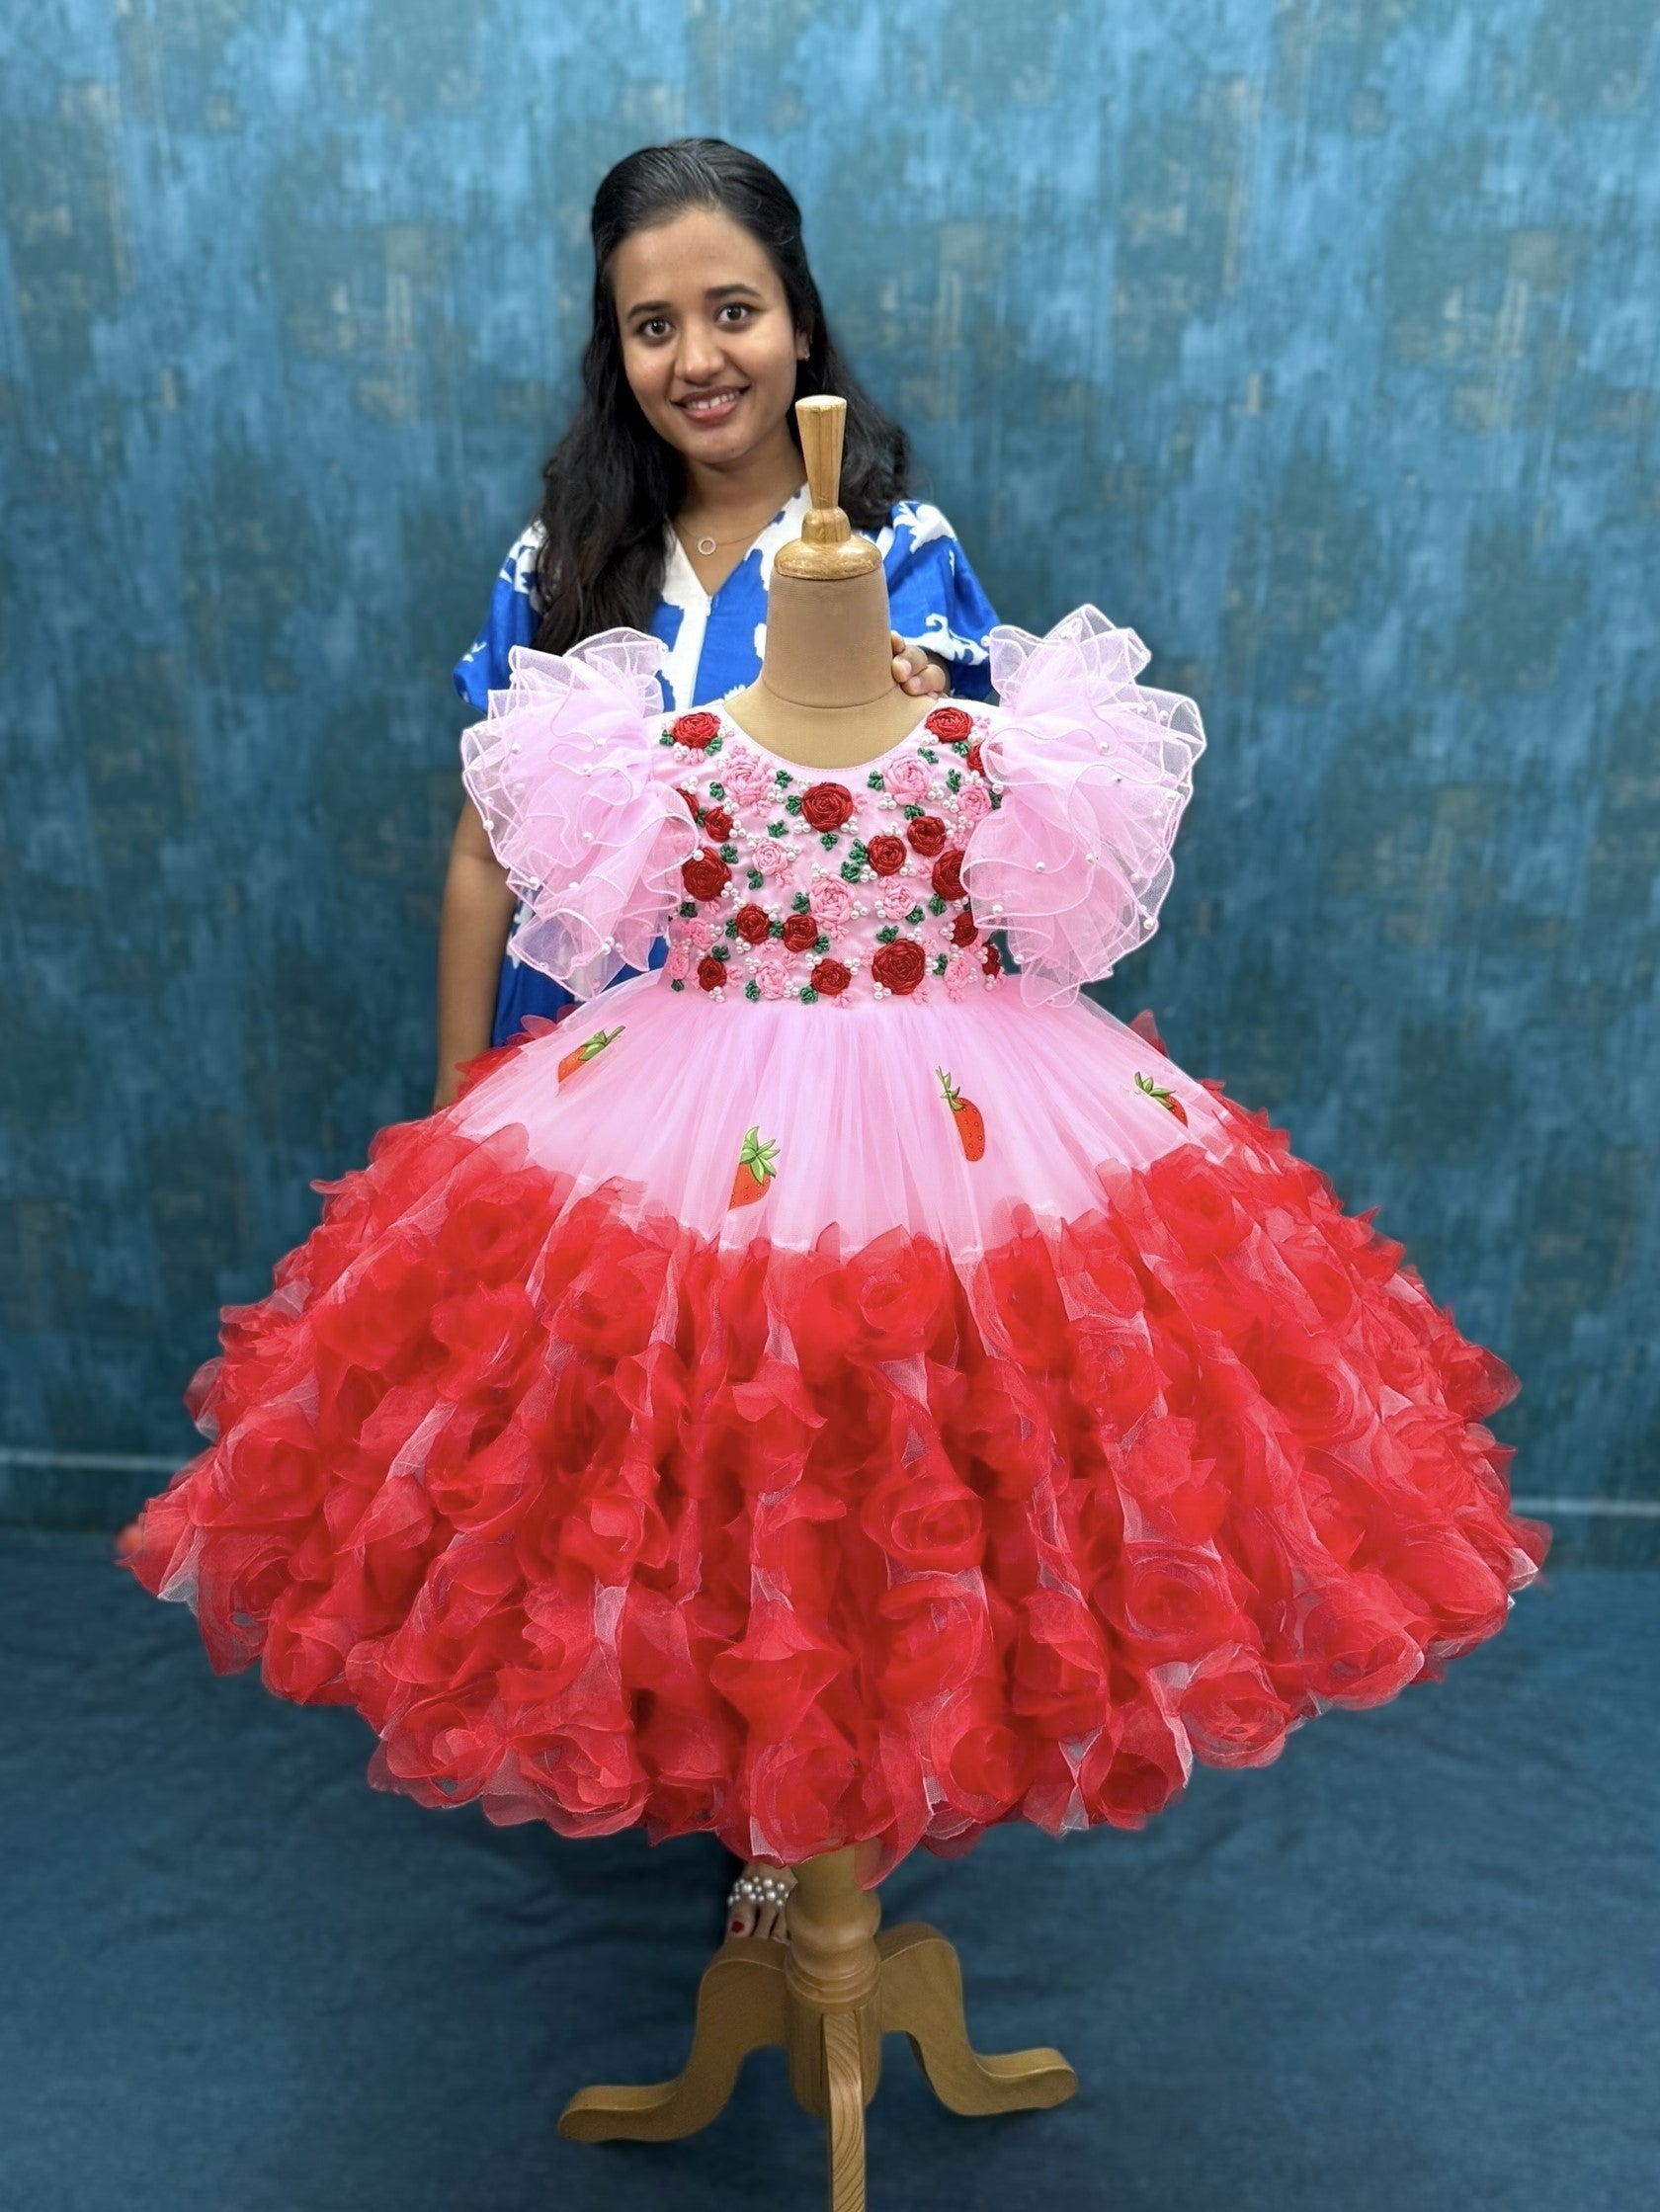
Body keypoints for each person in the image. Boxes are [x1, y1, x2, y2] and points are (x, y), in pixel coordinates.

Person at [436, 137, 999, 1108]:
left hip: (804, 1101)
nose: (697, 360)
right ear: (617, 352)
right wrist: (452, 1115)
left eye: (734, 311)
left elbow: (958, 851)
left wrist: (912, 695)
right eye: (653, 326)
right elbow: (485, 857)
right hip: (562, 1090)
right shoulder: (558, 561)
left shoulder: (898, 555)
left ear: (802, 323)